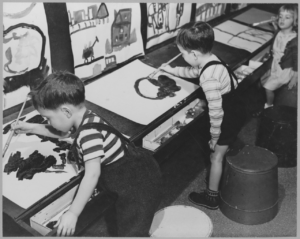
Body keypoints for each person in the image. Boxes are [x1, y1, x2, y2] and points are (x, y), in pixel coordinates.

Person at [11, 71, 162, 236]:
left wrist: (73, 213)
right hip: (137, 170)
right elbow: (62, 133)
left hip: (138, 185)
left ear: (66, 112)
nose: (48, 122)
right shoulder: (84, 117)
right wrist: (30, 127)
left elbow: (92, 175)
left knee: (132, 230)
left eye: (48, 118)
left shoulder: (88, 134)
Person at [160, 21, 246, 210]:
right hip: (236, 105)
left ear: (194, 54)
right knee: (220, 149)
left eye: (182, 53)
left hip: (227, 116)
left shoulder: (209, 78)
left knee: (215, 156)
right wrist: (171, 70)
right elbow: (192, 71)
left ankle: (212, 197)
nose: (181, 57)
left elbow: (216, 112)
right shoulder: (211, 59)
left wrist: (215, 137)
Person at [254, 4, 298, 116]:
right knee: (263, 82)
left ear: (295, 21)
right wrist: (275, 24)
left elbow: (297, 60)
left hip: (284, 69)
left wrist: (294, 77)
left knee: (268, 88)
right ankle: (268, 102)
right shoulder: (279, 31)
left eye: (287, 17)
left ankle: (268, 108)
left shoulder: (294, 40)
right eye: (280, 16)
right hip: (275, 64)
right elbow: (277, 37)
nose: (282, 20)